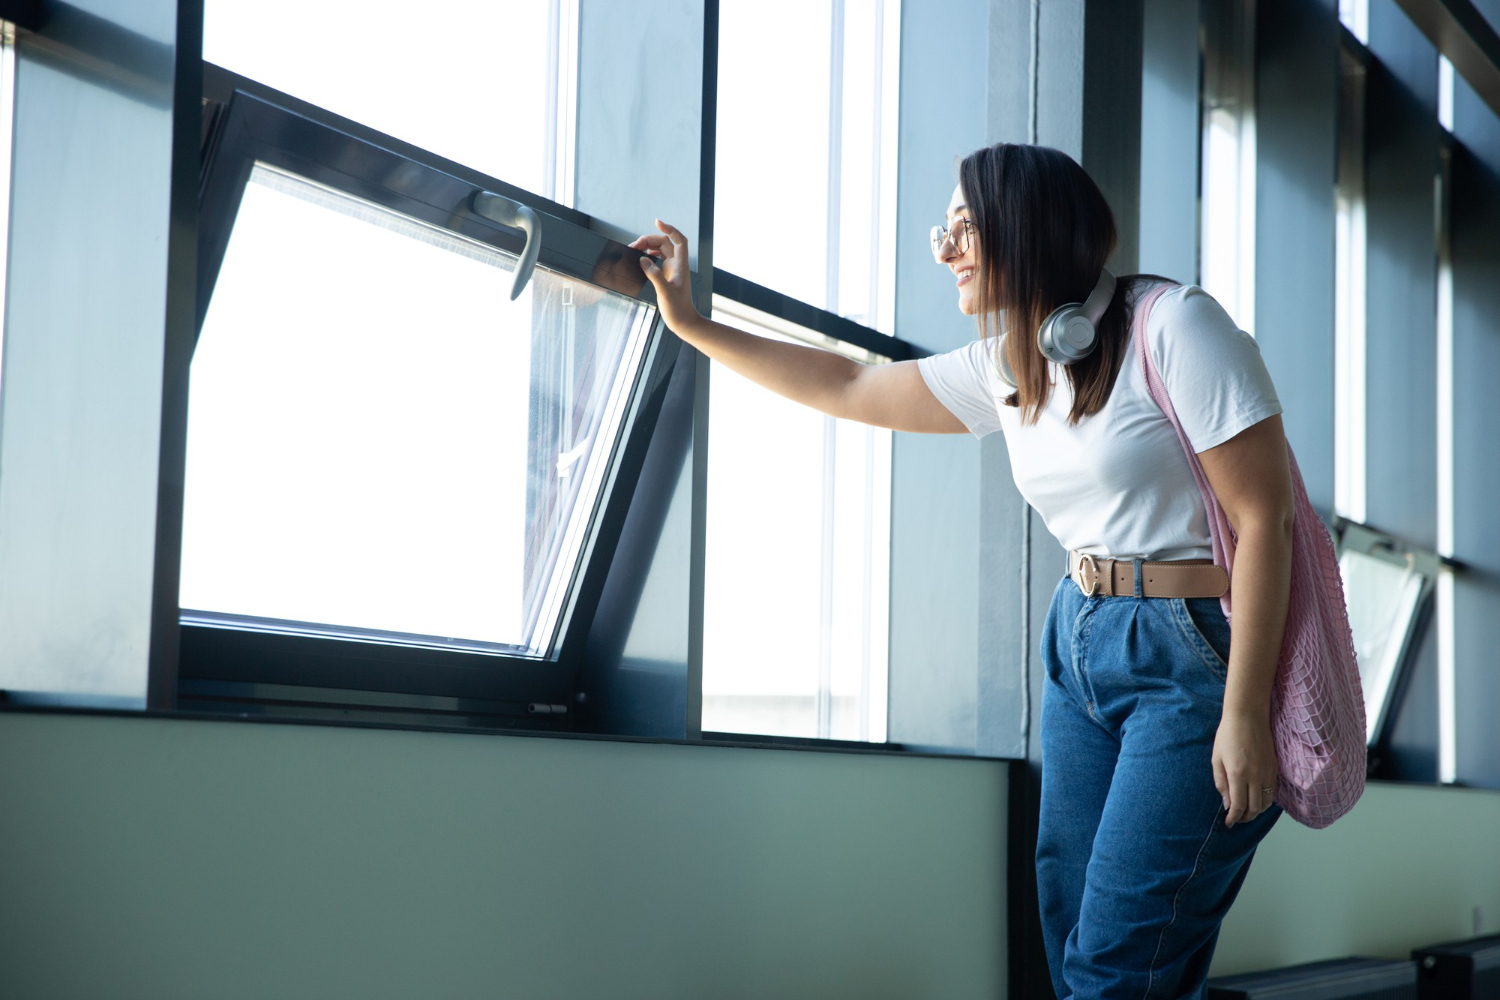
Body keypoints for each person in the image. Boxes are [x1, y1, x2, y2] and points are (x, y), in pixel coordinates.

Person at [631, 141, 1291, 1000]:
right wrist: (692, 322)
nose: (944, 249)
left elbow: (1265, 520)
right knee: (1071, 941)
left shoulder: (1177, 326)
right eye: (943, 230)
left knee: (1118, 966)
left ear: (1029, 227)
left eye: (964, 228)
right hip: (1079, 637)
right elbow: (849, 385)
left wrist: (1244, 712)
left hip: (1193, 653)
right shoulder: (1010, 368)